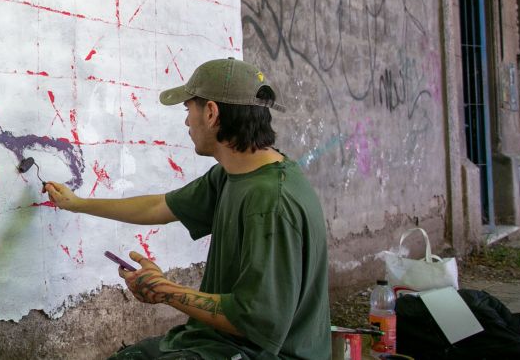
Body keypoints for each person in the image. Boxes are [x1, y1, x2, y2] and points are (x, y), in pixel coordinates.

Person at [44, 57, 330, 360]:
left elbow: (257, 321)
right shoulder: (234, 174)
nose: (186, 122)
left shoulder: (271, 202)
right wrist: (77, 204)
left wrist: (166, 290)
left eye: (187, 109)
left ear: (210, 112)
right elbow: (159, 206)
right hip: (220, 342)